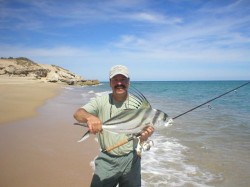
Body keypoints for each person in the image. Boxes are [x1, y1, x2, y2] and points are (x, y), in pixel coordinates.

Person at [73, 65, 154, 187]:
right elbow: (78, 114)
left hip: (132, 159)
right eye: (115, 80)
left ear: (129, 82)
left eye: (123, 79)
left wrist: (144, 136)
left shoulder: (139, 105)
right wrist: (90, 117)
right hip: (107, 159)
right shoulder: (101, 101)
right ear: (110, 82)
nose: (119, 83)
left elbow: (142, 130)